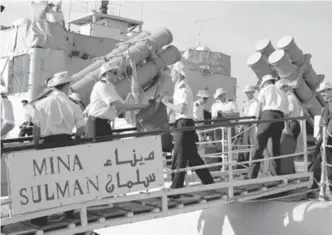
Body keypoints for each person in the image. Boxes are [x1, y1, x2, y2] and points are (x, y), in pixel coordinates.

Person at [29, 71, 85, 226]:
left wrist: (36, 144)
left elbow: (36, 128)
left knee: (45, 181)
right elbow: (80, 128)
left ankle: (41, 218)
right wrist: (75, 141)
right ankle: (68, 213)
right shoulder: (73, 103)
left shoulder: (41, 103)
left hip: (46, 144)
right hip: (67, 142)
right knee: (68, 180)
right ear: (66, 86)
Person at [161, 62, 214, 191]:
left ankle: (176, 189)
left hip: (183, 124)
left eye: (173, 72)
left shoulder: (182, 89)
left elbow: (180, 108)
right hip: (187, 124)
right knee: (193, 157)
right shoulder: (182, 88)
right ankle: (209, 182)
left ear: (178, 74)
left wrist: (167, 104)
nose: (171, 75)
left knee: (179, 156)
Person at [84, 63, 148, 138]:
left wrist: (141, 105)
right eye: (115, 73)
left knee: (107, 147)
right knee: (97, 148)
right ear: (107, 74)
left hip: (103, 123)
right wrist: (142, 106)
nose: (117, 76)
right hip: (96, 124)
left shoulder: (110, 87)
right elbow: (116, 105)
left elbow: (122, 106)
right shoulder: (102, 86)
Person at [247, 74, 289, 179]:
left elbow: (260, 105)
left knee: (259, 147)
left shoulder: (265, 90)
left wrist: (257, 120)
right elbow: (286, 111)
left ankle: (251, 175)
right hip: (280, 119)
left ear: (265, 83)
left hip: (267, 116)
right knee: (276, 148)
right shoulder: (282, 93)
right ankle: (277, 173)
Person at [238, 85, 258, 165]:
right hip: (245, 124)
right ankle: (245, 164)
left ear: (253, 92)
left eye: (248, 92)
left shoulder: (257, 102)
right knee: (245, 144)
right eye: (246, 93)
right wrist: (240, 127)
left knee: (252, 144)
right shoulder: (244, 103)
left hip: (253, 124)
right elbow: (242, 115)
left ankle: (253, 163)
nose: (247, 94)